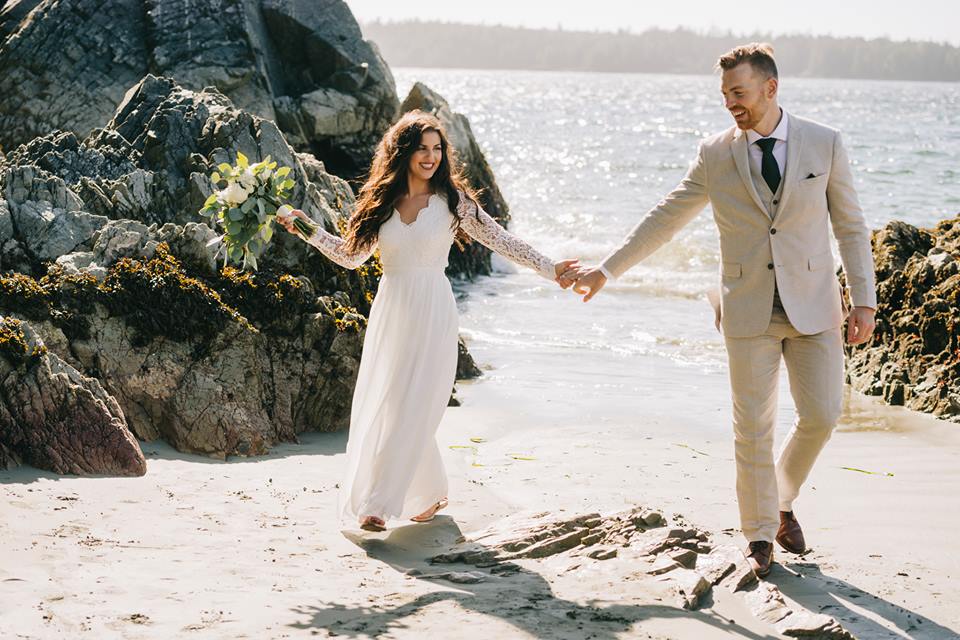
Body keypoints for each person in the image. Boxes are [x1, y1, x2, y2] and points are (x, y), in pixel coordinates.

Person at [565, 43, 877, 577]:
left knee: (822, 416)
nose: (731, 102)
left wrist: (864, 300)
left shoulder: (825, 143)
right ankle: (758, 534)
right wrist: (607, 270)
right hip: (747, 309)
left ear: (770, 88)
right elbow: (665, 218)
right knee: (751, 427)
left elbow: (849, 225)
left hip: (816, 305)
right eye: (724, 94)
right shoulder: (715, 153)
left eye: (739, 92)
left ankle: (780, 499)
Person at [278, 111, 577, 532]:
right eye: (422, 148)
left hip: (434, 310)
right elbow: (350, 256)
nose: (431, 157)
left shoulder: (454, 203)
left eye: (437, 149)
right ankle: (431, 491)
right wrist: (304, 228)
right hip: (391, 311)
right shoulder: (380, 205)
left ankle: (377, 506)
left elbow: (501, 240)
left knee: (415, 403)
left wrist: (551, 268)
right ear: (403, 152)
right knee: (393, 401)